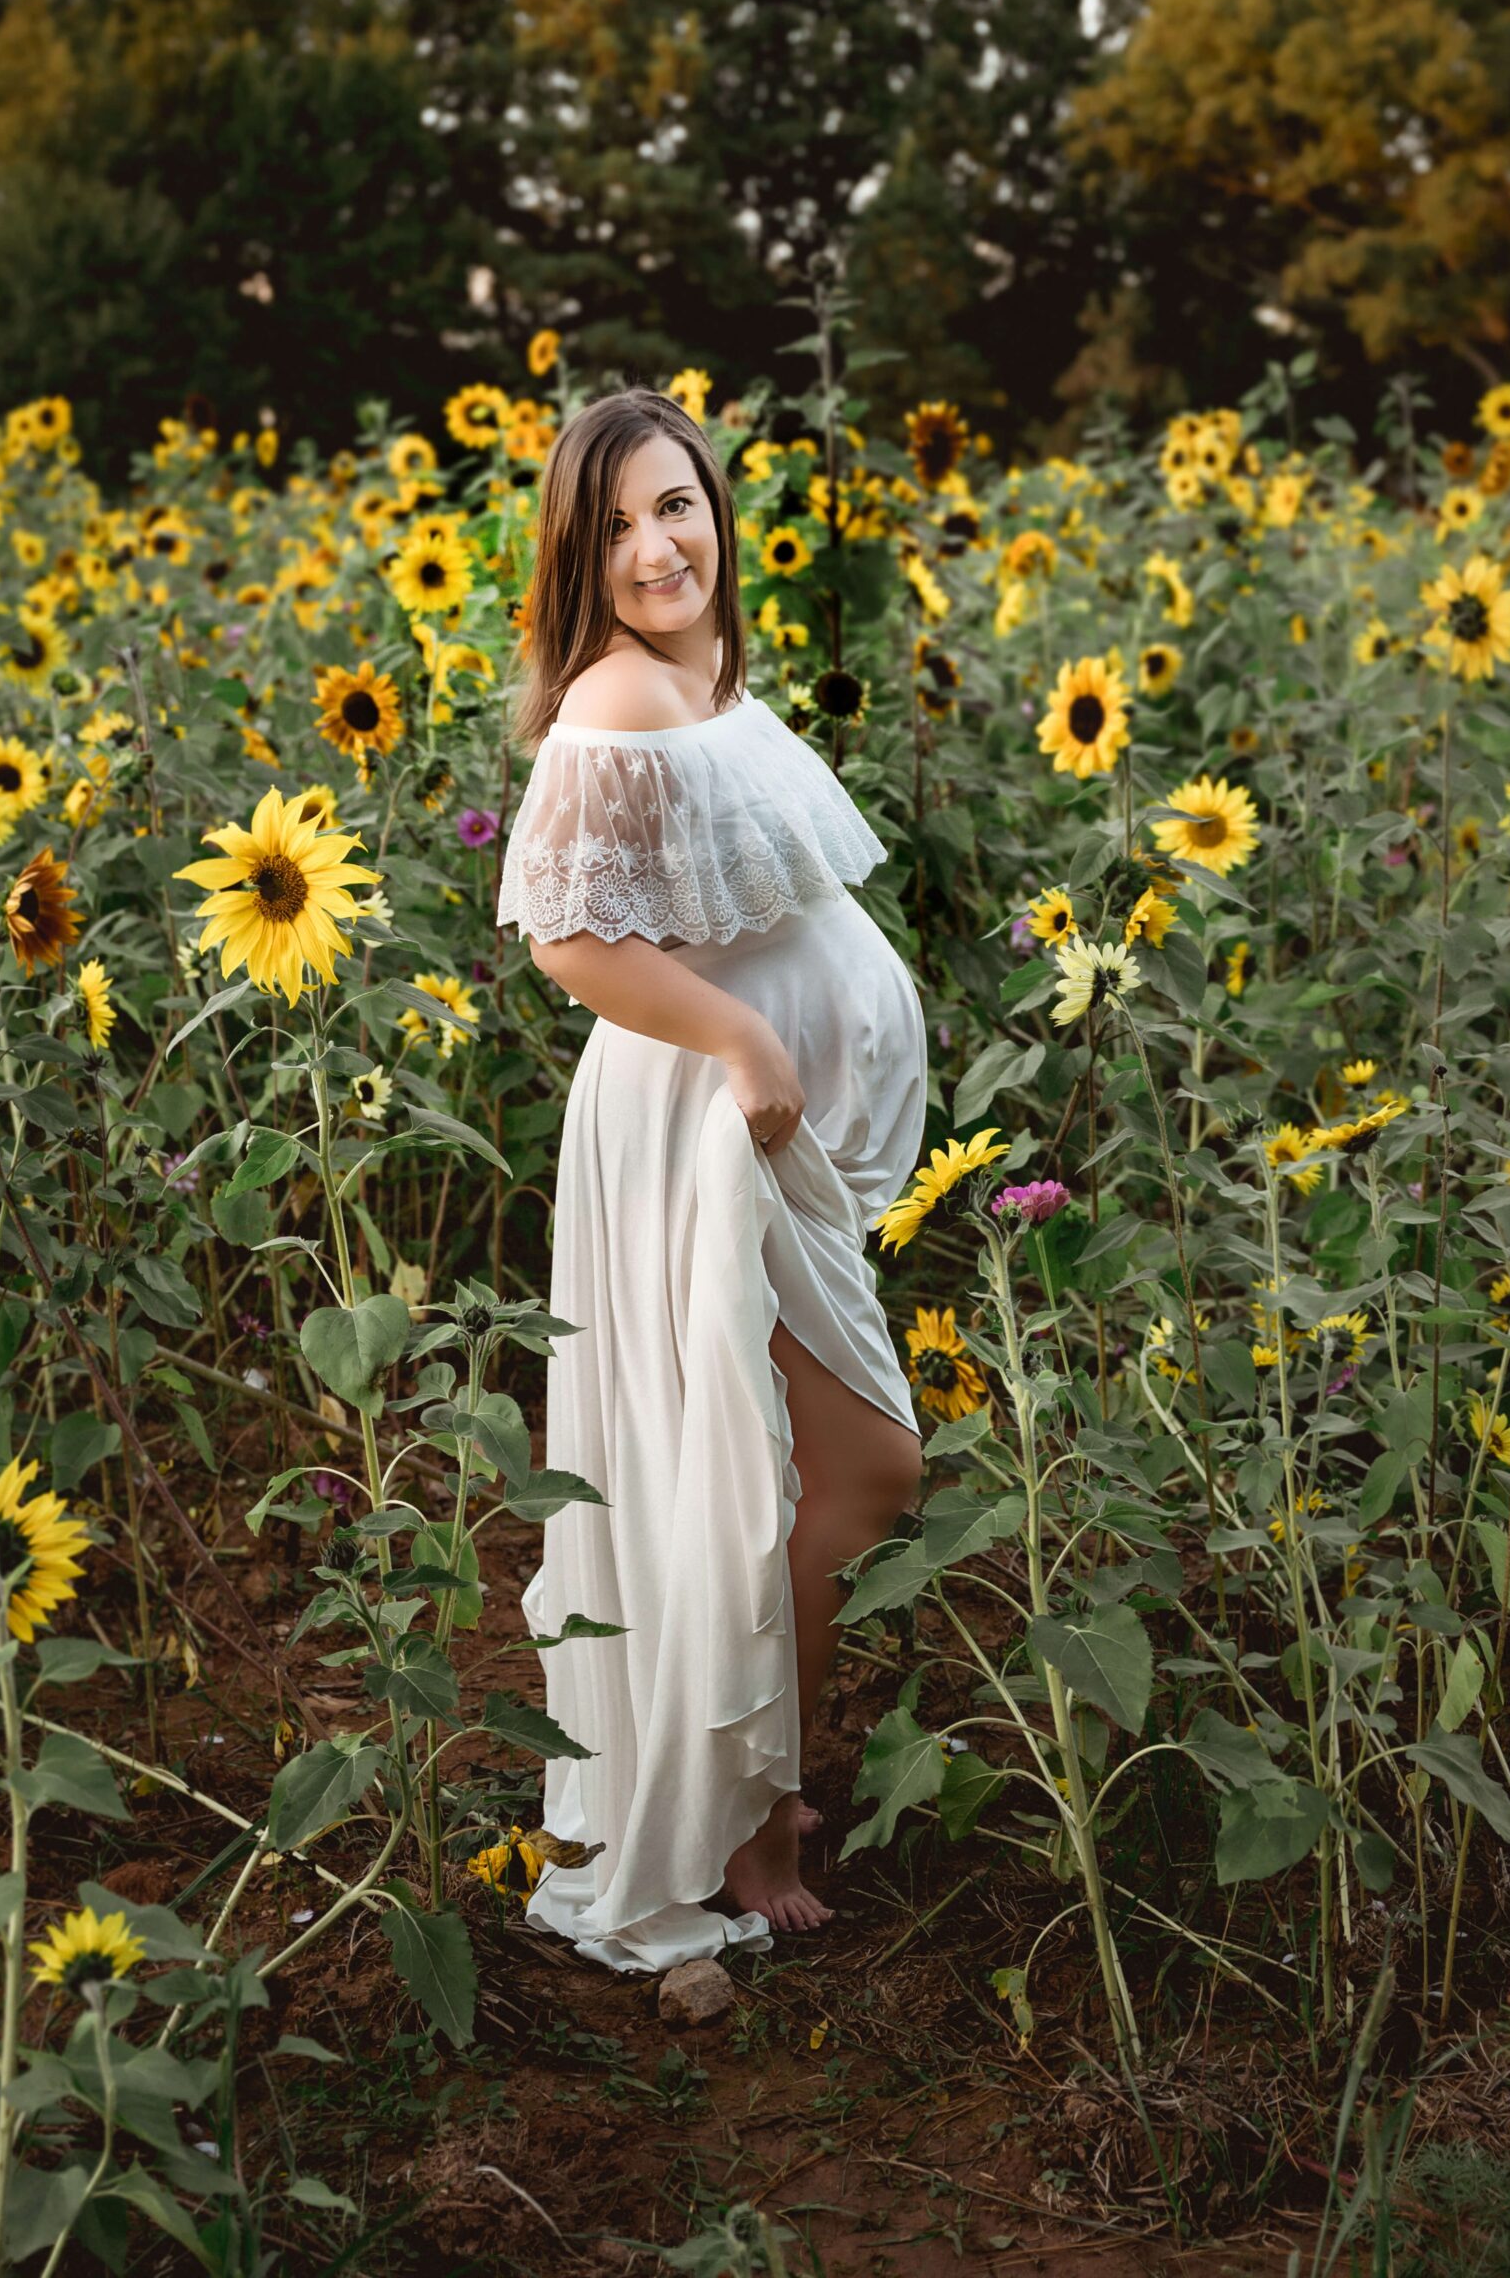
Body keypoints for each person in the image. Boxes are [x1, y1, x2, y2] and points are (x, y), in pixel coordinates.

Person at [495, 384, 929, 1973]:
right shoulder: (616, 702)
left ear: (715, 510)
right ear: (579, 559)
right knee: (855, 1471)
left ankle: (759, 1776)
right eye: (614, 527)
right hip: (699, 1129)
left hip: (744, 1134)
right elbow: (566, 935)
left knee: (766, 1469)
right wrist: (746, 1040)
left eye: (674, 505)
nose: (654, 545)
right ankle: (747, 1811)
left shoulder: (703, 677)